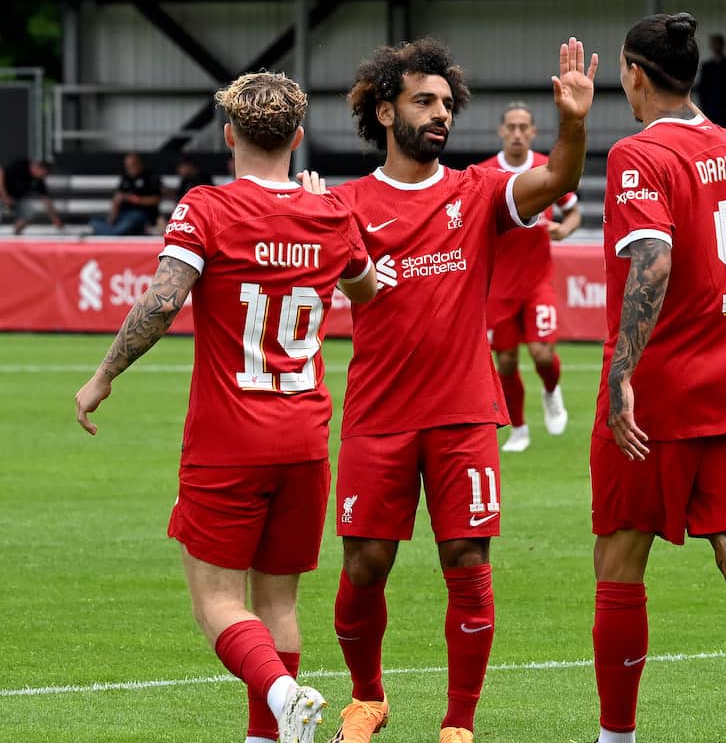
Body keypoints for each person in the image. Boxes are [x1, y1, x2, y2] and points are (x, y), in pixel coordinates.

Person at [73, 71, 378, 743]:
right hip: (304, 437)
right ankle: (265, 735)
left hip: (228, 439)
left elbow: (161, 301)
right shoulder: (332, 214)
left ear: (228, 134)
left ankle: (281, 695)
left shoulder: (207, 208)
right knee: (279, 603)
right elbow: (368, 289)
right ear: (297, 138)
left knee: (217, 602)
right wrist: (324, 215)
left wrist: (103, 375)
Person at [317, 37, 595, 743]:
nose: (440, 114)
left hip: (464, 412)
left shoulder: (476, 192)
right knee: (365, 565)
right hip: (378, 415)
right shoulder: (346, 204)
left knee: (467, 561)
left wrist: (574, 120)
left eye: (447, 103)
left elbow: (561, 178)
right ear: (385, 111)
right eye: (424, 101)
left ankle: (459, 724)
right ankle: (367, 699)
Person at [590, 12, 726, 743]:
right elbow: (700, 141)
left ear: (631, 73)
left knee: (620, 557)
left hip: (660, 391)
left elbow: (652, 257)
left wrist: (624, 371)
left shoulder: (635, 155)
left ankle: (617, 736)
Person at [479, 101, 582, 453]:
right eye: (512, 126)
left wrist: (564, 230)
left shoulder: (547, 169)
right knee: (505, 360)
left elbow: (572, 212)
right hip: (499, 288)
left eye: (524, 127)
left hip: (538, 281)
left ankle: (552, 391)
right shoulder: (485, 174)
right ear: (501, 131)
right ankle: (519, 428)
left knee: (541, 353)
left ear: (534, 131)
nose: (518, 133)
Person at [92, 152, 161, 235]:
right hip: (122, 214)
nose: (129, 168)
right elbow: (117, 198)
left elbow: (156, 199)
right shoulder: (125, 178)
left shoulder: (149, 177)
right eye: (127, 165)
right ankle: (111, 232)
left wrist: (135, 199)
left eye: (132, 164)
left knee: (126, 224)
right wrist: (112, 215)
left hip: (140, 214)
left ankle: (111, 233)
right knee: (95, 221)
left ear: (139, 164)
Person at [0, 157, 65, 233]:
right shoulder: (20, 165)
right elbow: (1, 174)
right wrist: (5, 196)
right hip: (2, 194)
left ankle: (16, 233)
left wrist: (56, 220)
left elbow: (47, 201)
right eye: (44, 173)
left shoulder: (38, 180)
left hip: (16, 200)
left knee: (29, 211)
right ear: (38, 167)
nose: (43, 176)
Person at [695, 33, 726, 131]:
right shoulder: (707, 67)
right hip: (711, 109)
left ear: (723, 45)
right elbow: (703, 89)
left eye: (718, 44)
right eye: (714, 44)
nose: (716, 47)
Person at [155, 155, 214, 234]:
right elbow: (179, 196)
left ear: (189, 165)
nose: (179, 170)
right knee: (161, 219)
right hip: (185, 212)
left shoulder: (204, 178)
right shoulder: (185, 179)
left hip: (199, 213)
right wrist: (168, 192)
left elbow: (207, 199)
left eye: (181, 167)